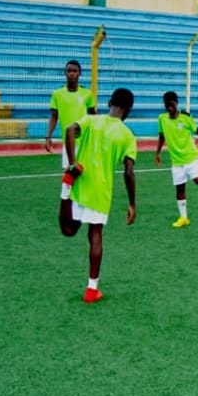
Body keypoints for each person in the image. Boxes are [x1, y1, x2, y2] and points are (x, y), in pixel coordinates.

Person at [58, 88, 137, 303]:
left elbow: (69, 130)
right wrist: (132, 203)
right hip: (101, 191)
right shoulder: (128, 136)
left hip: (80, 182)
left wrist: (72, 163)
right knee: (95, 234)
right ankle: (92, 289)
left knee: (68, 230)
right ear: (129, 109)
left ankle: (66, 187)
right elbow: (129, 172)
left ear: (110, 103)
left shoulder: (91, 120)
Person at [154, 91, 198, 227]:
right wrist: (157, 153)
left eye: (172, 104)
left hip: (191, 157)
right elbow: (161, 136)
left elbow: (197, 130)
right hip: (176, 161)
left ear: (176, 103)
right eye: (167, 105)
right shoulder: (162, 118)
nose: (169, 108)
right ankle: (183, 218)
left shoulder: (185, 118)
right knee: (180, 189)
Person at [45, 59, 96, 168]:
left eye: (75, 71)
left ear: (80, 73)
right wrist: (48, 137)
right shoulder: (57, 94)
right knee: (70, 172)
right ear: (65, 73)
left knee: (85, 172)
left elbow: (93, 117)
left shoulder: (87, 94)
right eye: (69, 71)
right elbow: (54, 116)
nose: (72, 74)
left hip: (85, 141)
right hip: (68, 142)